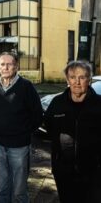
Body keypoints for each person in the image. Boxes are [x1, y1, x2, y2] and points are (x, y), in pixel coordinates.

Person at [44, 60, 101, 203]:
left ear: (89, 79)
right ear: (67, 79)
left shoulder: (99, 103)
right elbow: (49, 126)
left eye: (82, 77)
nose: (77, 82)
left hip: (93, 170)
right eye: (73, 77)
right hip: (63, 169)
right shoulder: (57, 102)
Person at [0, 52, 42, 203]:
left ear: (16, 66)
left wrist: (23, 132)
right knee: (1, 187)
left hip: (19, 146)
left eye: (9, 64)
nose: (6, 67)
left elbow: (38, 115)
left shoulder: (26, 86)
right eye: (2, 64)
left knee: (19, 190)